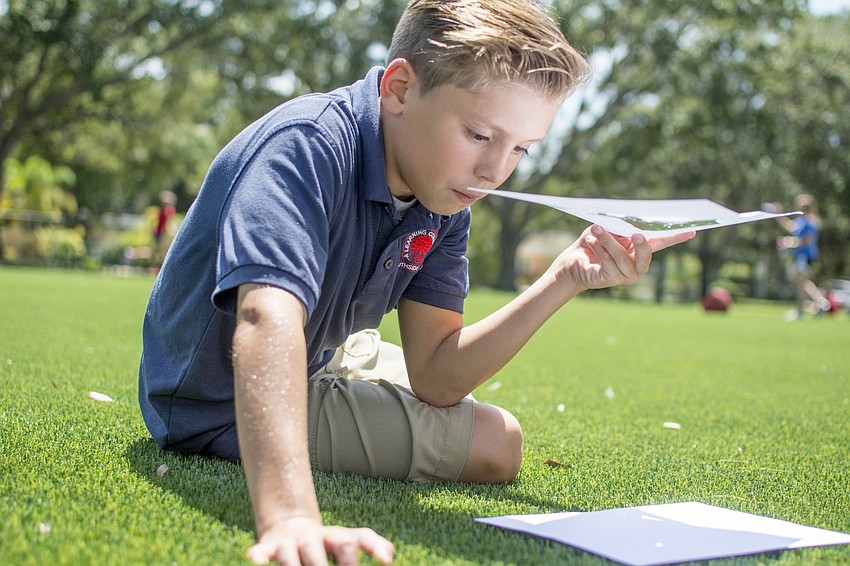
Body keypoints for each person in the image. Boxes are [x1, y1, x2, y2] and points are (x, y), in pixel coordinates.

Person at [138, 1, 695, 564]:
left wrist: (565, 277)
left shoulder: (442, 199)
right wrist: (291, 518)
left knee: (476, 420)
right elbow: (265, 318)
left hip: (320, 352)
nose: (495, 171)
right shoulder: (305, 145)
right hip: (217, 400)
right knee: (496, 442)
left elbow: (437, 375)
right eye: (479, 134)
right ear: (400, 89)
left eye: (521, 149)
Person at [775, 194, 827, 320]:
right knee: (802, 282)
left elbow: (807, 241)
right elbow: (790, 227)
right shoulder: (802, 220)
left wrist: (789, 242)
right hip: (801, 256)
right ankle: (821, 302)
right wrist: (778, 214)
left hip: (804, 256)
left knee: (800, 283)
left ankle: (800, 311)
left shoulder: (810, 221)